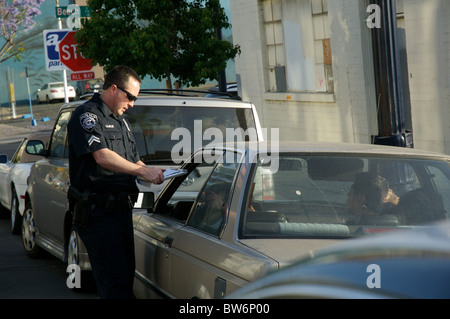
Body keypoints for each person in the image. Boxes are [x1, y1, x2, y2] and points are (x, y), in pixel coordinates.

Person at [67, 65, 164, 299]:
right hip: (98, 214)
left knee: (124, 279)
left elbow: (133, 160)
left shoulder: (121, 121)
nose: (132, 103)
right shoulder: (87, 116)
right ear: (113, 88)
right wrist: (142, 173)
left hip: (121, 213)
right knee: (115, 286)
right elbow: (102, 156)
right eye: (130, 96)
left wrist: (156, 172)